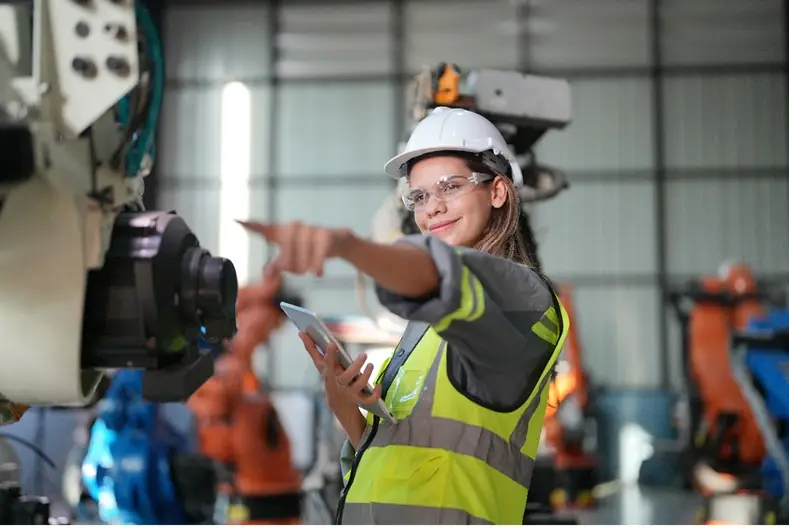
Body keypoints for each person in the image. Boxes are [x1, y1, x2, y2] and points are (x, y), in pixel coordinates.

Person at [239, 107, 570, 525]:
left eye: (450, 186)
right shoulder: (427, 326)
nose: (431, 209)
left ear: (499, 192)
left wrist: (346, 246)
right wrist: (347, 408)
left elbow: (436, 271)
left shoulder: (525, 300)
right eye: (419, 196)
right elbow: (400, 461)